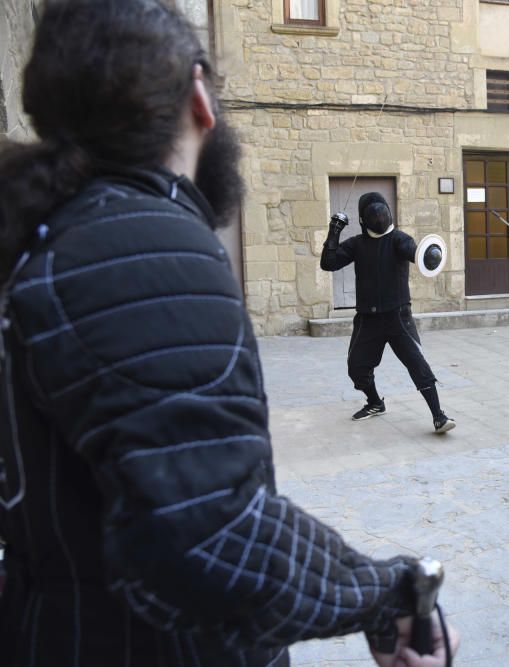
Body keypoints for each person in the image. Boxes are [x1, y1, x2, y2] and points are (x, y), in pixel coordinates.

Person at [0, 2, 457, 665]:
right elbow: (208, 533)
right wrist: (388, 592)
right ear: (198, 95)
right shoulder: (145, 248)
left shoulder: (61, 234)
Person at [320, 193, 455, 434]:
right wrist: (335, 229)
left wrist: (426, 255)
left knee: (417, 363)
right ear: (364, 219)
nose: (379, 217)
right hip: (368, 319)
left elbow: (415, 252)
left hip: (398, 316)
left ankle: (439, 416)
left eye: (381, 212)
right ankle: (375, 403)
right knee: (356, 367)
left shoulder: (398, 239)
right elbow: (329, 263)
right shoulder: (357, 244)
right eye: (374, 214)